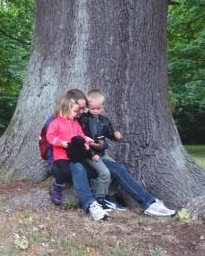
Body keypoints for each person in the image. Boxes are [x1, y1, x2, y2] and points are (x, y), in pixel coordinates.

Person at [73, 89, 176, 217]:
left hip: (97, 153)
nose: (82, 111)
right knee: (117, 170)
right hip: (87, 156)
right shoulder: (79, 120)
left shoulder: (102, 120)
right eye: (86, 108)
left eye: (83, 108)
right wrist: (91, 145)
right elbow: (78, 140)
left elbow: (106, 133)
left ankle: (111, 197)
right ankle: (148, 203)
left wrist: (112, 138)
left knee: (118, 168)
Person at [46, 93, 109, 221]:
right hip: (61, 155)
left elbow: (81, 135)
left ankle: (90, 202)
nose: (77, 114)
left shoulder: (75, 124)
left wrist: (86, 144)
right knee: (64, 171)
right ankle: (58, 186)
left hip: (75, 156)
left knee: (82, 169)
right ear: (65, 109)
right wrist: (61, 142)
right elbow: (50, 137)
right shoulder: (56, 123)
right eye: (74, 111)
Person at [78, 89, 125, 210]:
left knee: (120, 171)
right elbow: (81, 137)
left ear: (102, 107)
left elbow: (109, 133)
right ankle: (100, 199)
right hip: (90, 154)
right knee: (105, 173)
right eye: (92, 108)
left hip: (102, 153)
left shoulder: (104, 120)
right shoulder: (84, 119)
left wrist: (116, 135)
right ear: (88, 107)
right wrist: (92, 152)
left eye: (98, 108)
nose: (95, 111)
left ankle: (111, 195)